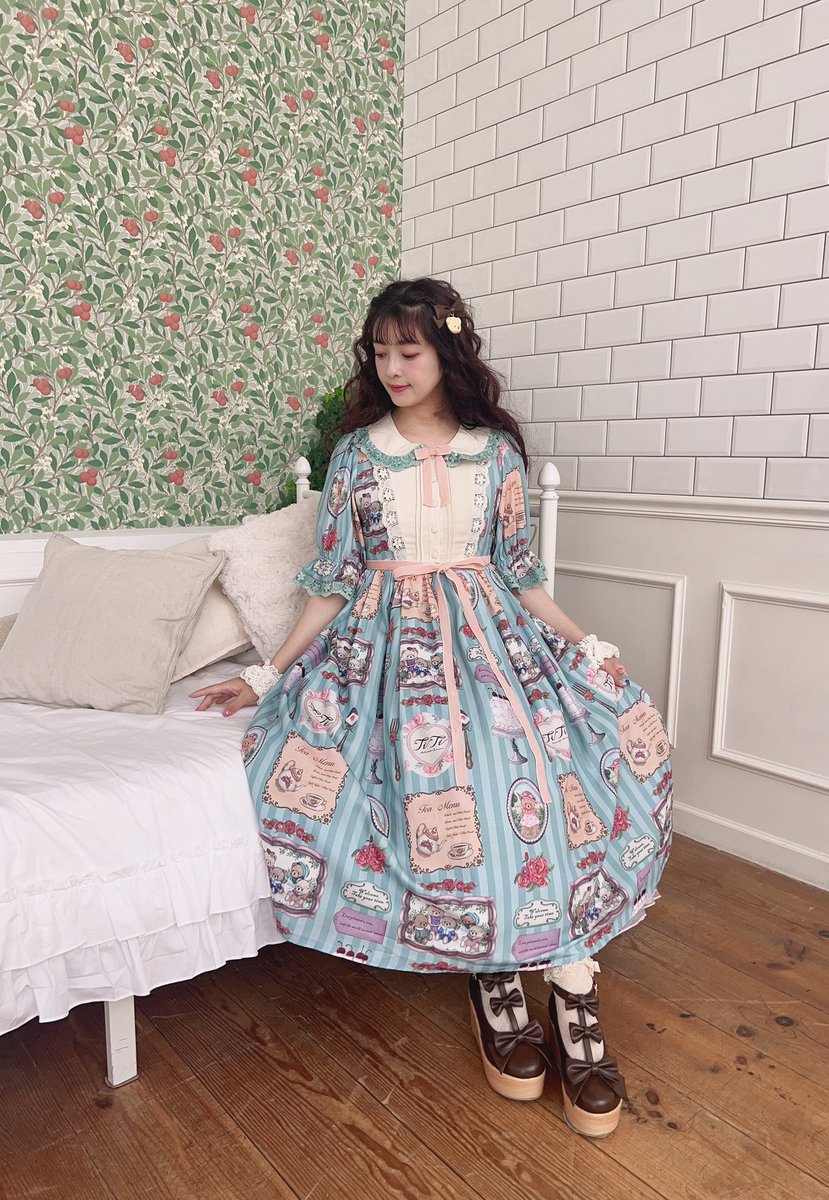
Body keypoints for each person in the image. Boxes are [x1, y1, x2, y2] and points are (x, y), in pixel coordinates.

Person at [191, 277, 674, 1139]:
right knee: (442, 782)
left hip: (494, 642)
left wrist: (586, 644)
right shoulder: (355, 457)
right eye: (380, 351)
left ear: (447, 352)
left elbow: (521, 576)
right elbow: (334, 583)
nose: (393, 367)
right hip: (387, 652)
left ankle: (573, 988)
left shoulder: (496, 455)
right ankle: (495, 972)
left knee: (543, 770)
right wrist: (268, 677)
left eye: (408, 350)